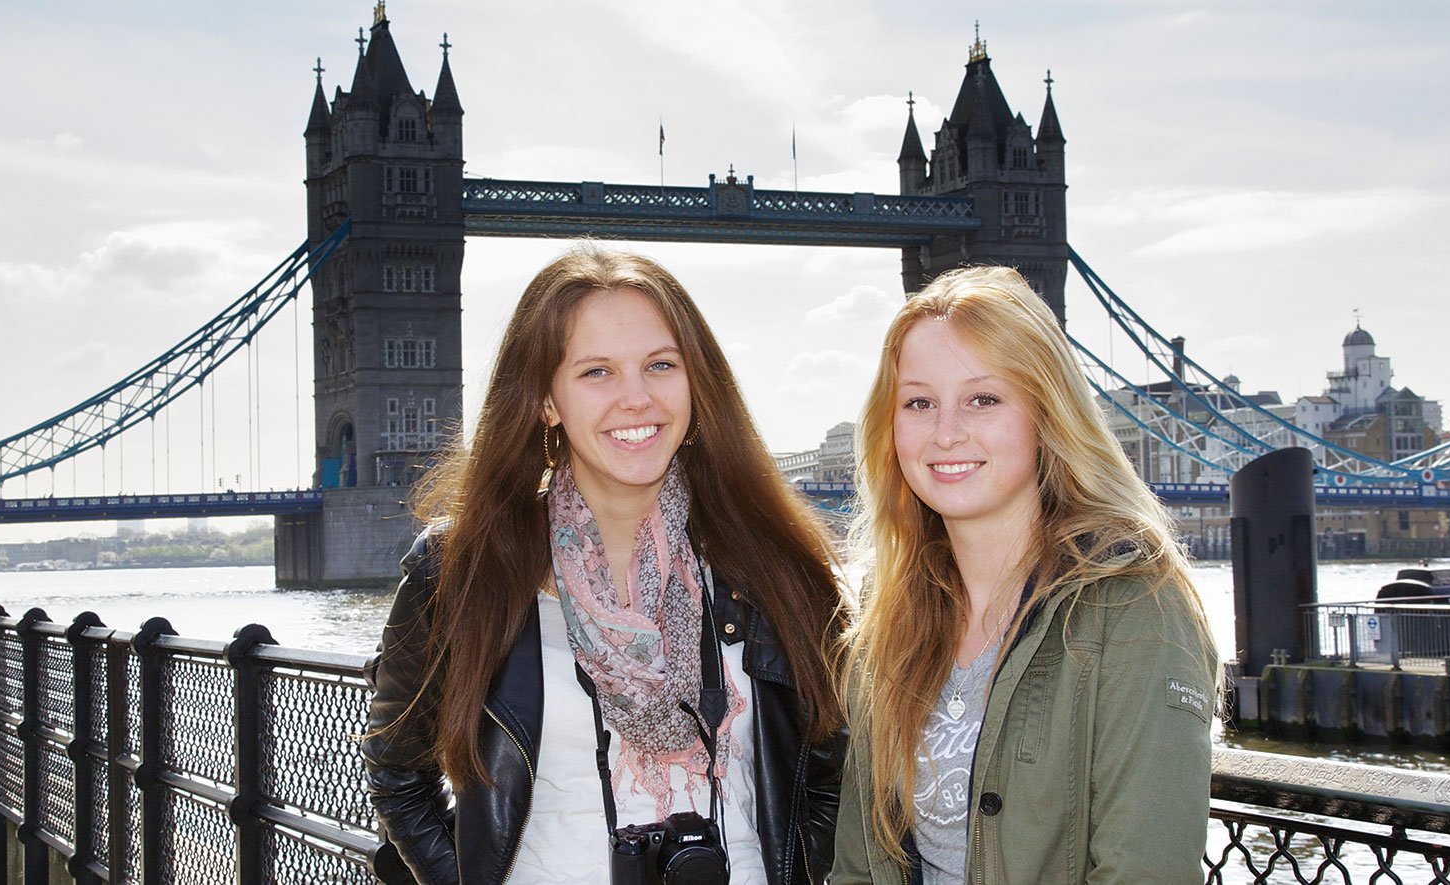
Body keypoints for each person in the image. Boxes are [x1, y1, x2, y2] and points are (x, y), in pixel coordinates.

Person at [364, 246, 848, 885]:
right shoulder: (459, 573)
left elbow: (829, 779)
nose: (637, 398)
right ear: (546, 400)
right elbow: (399, 773)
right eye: (597, 372)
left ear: (696, 383)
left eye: (660, 365)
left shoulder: (774, 572)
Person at [832, 266, 1219, 884]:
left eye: (983, 399)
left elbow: (1144, 872)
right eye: (919, 403)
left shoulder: (1135, 607)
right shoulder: (893, 605)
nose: (947, 432)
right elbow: (860, 859)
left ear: (1046, 413)